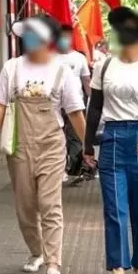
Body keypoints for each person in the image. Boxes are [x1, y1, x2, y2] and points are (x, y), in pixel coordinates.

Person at [0, 15, 86, 274]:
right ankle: (36, 251)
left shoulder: (62, 71)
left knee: (50, 204)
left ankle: (53, 262)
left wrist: (89, 147)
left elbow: (74, 113)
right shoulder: (12, 68)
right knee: (25, 207)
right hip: (19, 147)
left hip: (51, 145)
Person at [82, 6, 138, 274]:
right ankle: (117, 272)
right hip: (113, 139)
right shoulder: (103, 66)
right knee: (114, 209)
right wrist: (87, 145)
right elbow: (94, 108)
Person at [56, 24, 91, 181]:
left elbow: (86, 81)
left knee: (75, 136)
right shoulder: (51, 58)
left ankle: (75, 168)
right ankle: (60, 168)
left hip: (76, 102)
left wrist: (92, 101)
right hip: (56, 104)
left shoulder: (79, 58)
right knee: (59, 136)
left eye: (66, 36)